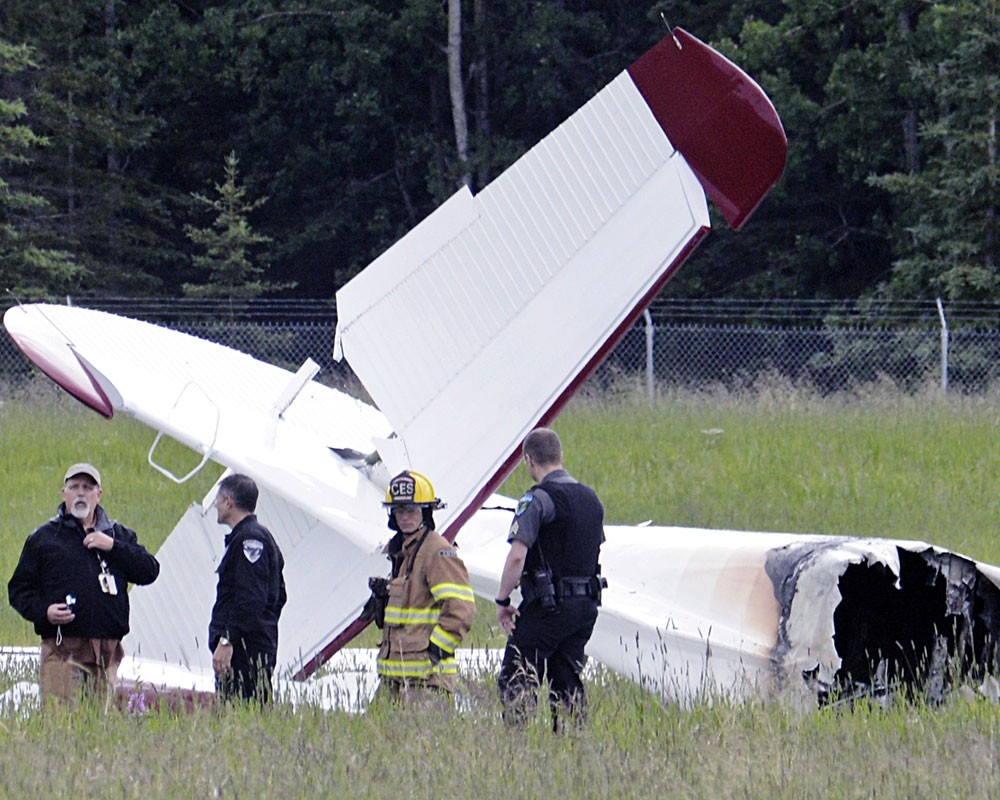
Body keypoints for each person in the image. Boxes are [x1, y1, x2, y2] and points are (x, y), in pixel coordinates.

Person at [8, 462, 160, 705]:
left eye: (88, 487)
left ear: (98, 495)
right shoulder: (44, 538)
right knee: (62, 723)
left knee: (96, 726)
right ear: (64, 493)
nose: (81, 493)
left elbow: (149, 571)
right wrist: (44, 611)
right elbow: (18, 590)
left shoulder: (118, 535)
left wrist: (112, 546)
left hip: (107, 651)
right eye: (74, 486)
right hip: (62, 648)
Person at [495, 428, 606, 730]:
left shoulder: (537, 499)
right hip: (585, 609)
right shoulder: (591, 499)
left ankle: (517, 749)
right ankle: (572, 749)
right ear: (560, 456)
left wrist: (503, 600)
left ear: (528, 460)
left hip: (548, 606)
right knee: (567, 681)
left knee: (516, 676)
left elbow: (517, 556)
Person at [369, 470, 476, 704]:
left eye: (411, 510)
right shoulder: (402, 552)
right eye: (399, 511)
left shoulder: (436, 551)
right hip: (394, 676)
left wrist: (435, 651)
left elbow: (461, 609)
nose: (405, 517)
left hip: (427, 681)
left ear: (425, 512)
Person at [208, 473, 287, 704]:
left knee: (242, 712)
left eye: (218, 500)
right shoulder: (254, 537)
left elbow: (251, 598)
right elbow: (279, 595)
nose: (216, 505)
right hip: (251, 644)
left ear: (229, 502)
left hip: (244, 651)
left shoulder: (250, 541)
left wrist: (228, 640)